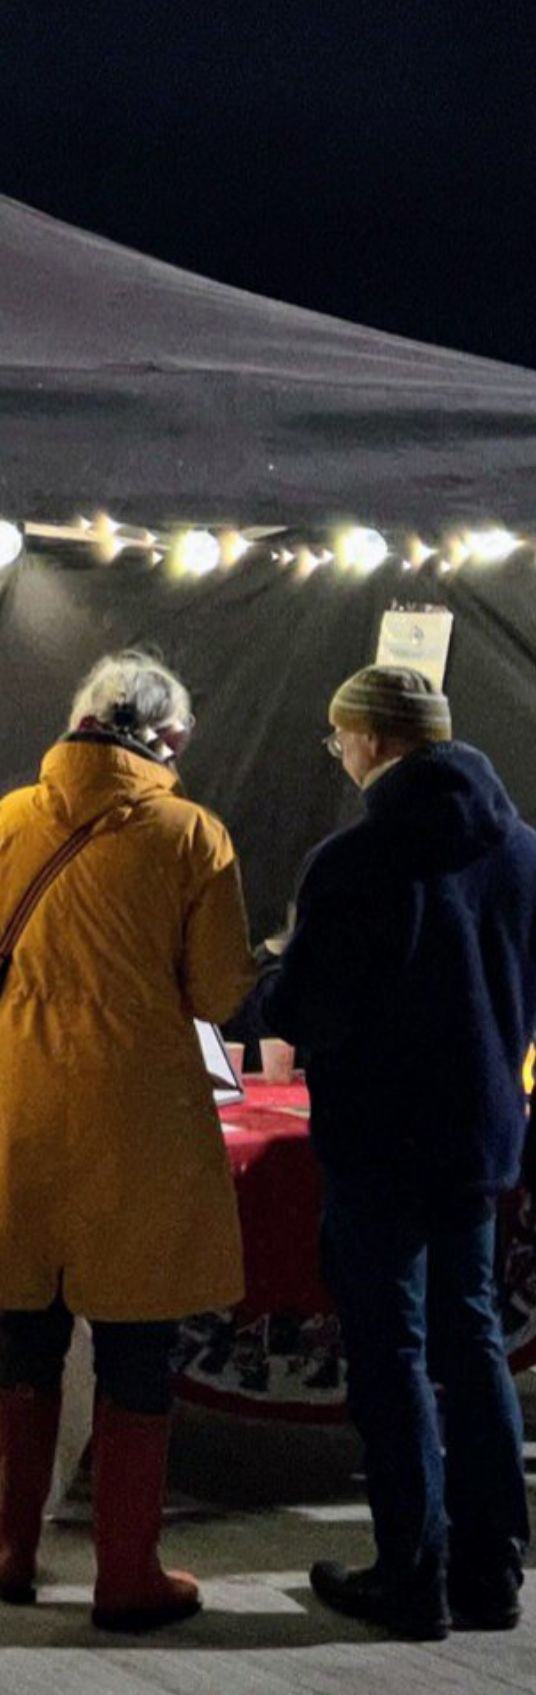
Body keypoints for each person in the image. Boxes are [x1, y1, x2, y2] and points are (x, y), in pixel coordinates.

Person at [0, 652, 257, 1632]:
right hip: (141, 1121)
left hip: (23, 1105)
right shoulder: (190, 835)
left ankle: (10, 1546)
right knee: (137, 1347)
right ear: (162, 740)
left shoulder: (5, 819)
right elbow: (217, 991)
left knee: (25, 1331)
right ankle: (127, 1572)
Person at [266, 665, 536, 1638]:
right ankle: (495, 1567)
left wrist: (275, 998)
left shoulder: (354, 860)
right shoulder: (524, 851)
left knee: (394, 1350)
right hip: (480, 1134)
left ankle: (411, 1573)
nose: (338, 757)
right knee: (473, 1345)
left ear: (373, 741)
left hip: (379, 1140)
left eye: (339, 739)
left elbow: (307, 1010)